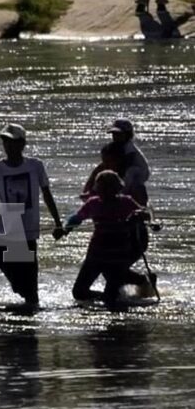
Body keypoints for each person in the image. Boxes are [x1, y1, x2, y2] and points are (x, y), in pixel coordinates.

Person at [0, 123, 65, 308]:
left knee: (30, 290)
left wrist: (58, 223)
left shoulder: (35, 166)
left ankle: (28, 304)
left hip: (28, 231)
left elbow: (47, 194)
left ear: (23, 144)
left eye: (13, 142)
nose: (8, 146)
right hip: (3, 230)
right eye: (5, 142)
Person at [64, 170, 154, 307]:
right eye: (100, 188)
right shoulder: (93, 203)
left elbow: (146, 215)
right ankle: (121, 294)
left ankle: (137, 286)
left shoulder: (126, 202)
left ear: (117, 188)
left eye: (107, 188)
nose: (103, 192)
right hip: (95, 254)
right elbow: (77, 217)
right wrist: (66, 228)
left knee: (111, 298)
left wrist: (139, 215)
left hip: (118, 255)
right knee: (79, 292)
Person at [82, 141, 148, 207]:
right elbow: (87, 192)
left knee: (139, 189)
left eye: (108, 161)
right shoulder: (103, 171)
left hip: (127, 206)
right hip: (106, 206)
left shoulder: (132, 173)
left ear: (119, 160)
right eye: (104, 161)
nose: (105, 165)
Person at [106, 118, 150, 206]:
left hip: (139, 171)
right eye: (114, 134)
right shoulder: (115, 147)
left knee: (130, 174)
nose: (115, 137)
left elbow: (128, 162)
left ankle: (122, 194)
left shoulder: (129, 147)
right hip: (129, 170)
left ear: (128, 135)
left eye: (119, 134)